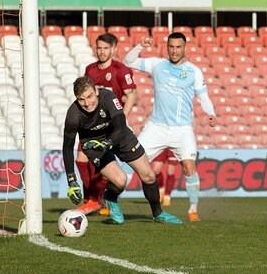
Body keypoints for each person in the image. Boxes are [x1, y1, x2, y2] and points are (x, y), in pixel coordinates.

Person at [124, 32, 217, 222]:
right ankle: (111, 202)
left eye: (178, 47)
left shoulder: (194, 71)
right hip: (156, 127)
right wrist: (140, 46)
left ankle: (192, 210)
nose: (174, 51)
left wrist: (211, 113)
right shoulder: (157, 65)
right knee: (130, 161)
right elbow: (128, 61)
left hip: (182, 130)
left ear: (184, 48)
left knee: (189, 167)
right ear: (167, 47)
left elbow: (203, 97)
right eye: (171, 47)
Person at [63, 76, 181, 224]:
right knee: (120, 181)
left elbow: (120, 126)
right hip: (94, 144)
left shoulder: (108, 97)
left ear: (96, 91)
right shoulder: (73, 115)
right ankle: (111, 198)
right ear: (76, 99)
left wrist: (108, 143)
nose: (87, 103)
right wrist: (72, 181)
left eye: (90, 96)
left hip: (119, 136)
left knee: (149, 176)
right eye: (81, 99)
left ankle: (158, 213)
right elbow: (67, 148)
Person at [75, 32, 138, 216]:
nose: (102, 52)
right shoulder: (90, 70)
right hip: (92, 123)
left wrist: (121, 119)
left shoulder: (121, 70)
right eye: (99, 48)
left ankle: (98, 199)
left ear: (114, 49)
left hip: (110, 126)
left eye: (105, 48)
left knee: (102, 167)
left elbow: (132, 96)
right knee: (81, 159)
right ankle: (91, 199)